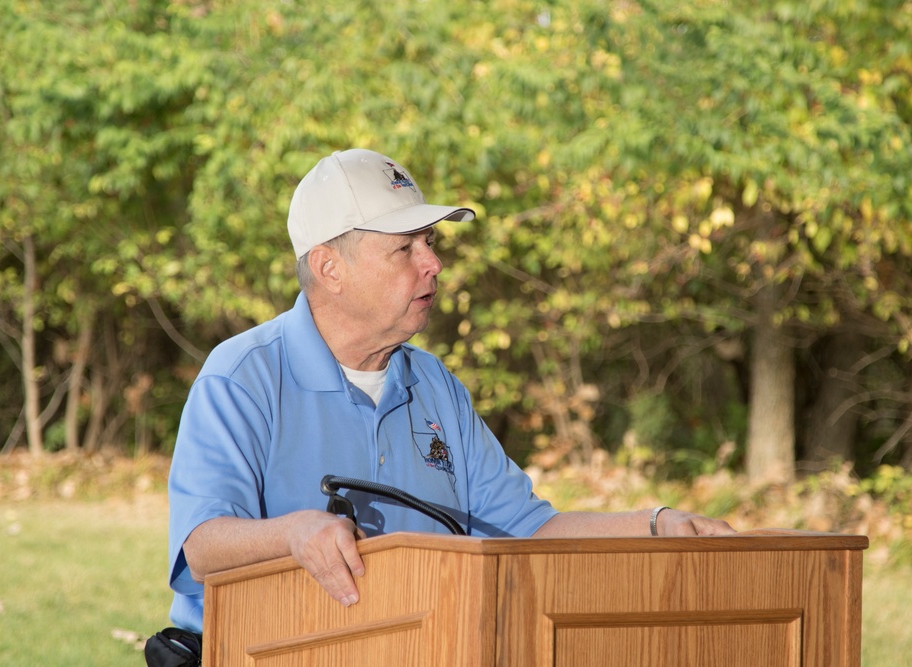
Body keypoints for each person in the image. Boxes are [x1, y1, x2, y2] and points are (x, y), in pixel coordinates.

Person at [166, 148, 735, 634]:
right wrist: (293, 534)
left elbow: (528, 530)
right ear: (329, 267)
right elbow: (203, 548)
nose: (434, 264)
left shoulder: (435, 385)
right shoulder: (242, 376)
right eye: (405, 248)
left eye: (431, 243)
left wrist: (656, 524)